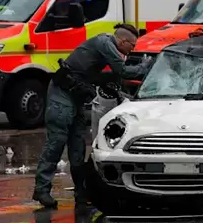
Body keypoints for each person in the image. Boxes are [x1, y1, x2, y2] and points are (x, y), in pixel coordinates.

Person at [33, 24, 150, 209]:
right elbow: (123, 71)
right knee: (56, 143)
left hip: (75, 97)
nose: (132, 50)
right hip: (61, 94)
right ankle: (42, 189)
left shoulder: (103, 45)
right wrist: (146, 67)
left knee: (78, 148)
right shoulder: (105, 43)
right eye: (132, 46)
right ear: (123, 41)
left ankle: (81, 194)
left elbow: (94, 73)